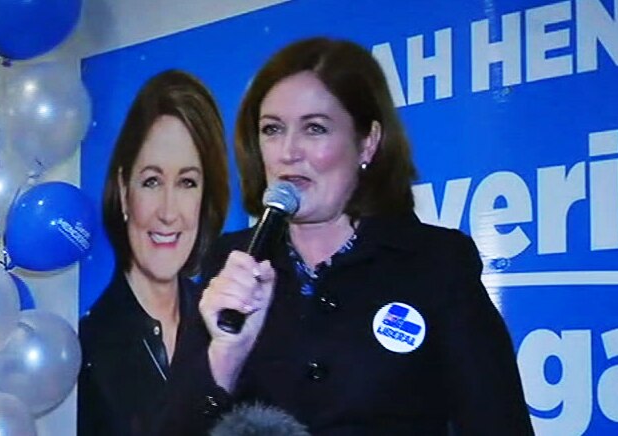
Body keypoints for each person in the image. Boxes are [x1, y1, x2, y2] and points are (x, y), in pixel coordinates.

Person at [159, 37, 533, 435]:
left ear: (367, 143)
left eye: (314, 129)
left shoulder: (435, 263)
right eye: (272, 129)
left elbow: (499, 424)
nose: (288, 152)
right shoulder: (232, 263)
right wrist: (226, 354)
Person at [78, 69, 230, 436]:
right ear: (123, 188)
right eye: (151, 181)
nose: (167, 211)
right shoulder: (88, 347)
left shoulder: (226, 326)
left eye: (187, 182)